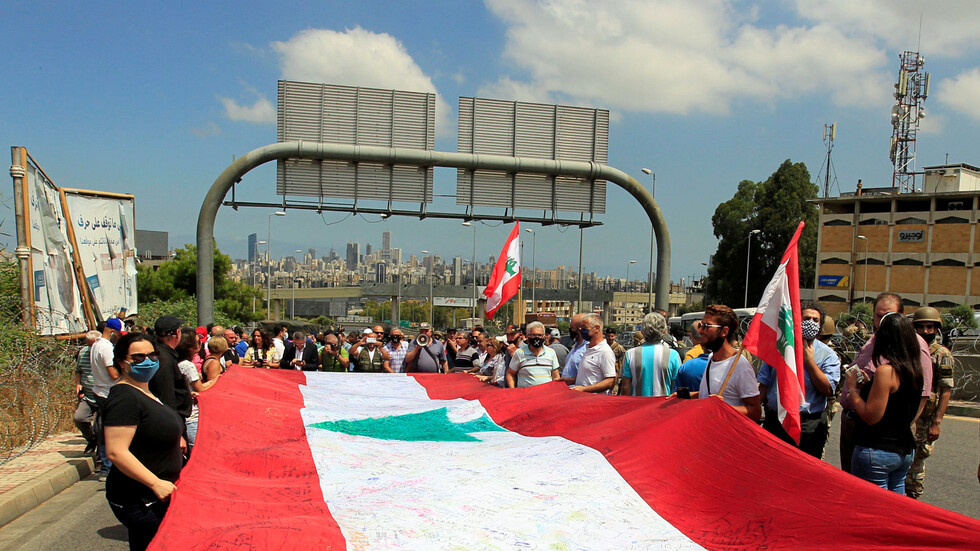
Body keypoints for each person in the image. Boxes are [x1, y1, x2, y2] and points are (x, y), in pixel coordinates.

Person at [103, 333, 185, 551]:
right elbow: (116, 452)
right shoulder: (125, 398)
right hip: (141, 498)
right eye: (138, 357)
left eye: (152, 355)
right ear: (122, 362)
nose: (148, 361)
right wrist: (154, 483)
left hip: (157, 494)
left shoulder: (144, 390)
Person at [839, 292, 933, 473]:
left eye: (888, 316)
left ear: (901, 317)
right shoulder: (874, 341)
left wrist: (897, 430)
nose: (882, 321)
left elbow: (922, 395)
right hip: (855, 424)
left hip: (877, 438)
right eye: (879, 316)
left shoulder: (914, 345)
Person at [845, 312, 923, 494]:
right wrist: (869, 385)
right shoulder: (915, 371)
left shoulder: (886, 371)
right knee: (895, 509)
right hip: (903, 449)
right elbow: (897, 403)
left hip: (878, 449)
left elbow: (871, 416)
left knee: (871, 509)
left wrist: (852, 390)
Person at [757, 301, 841, 458]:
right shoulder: (778, 347)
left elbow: (828, 389)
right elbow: (764, 385)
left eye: (815, 320)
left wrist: (809, 362)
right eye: (806, 318)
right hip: (776, 421)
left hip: (808, 425)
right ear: (796, 320)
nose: (810, 323)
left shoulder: (827, 355)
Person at [906, 307, 955, 499]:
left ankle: (912, 497)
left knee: (917, 461)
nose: (926, 331)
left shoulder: (942, 355)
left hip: (925, 418)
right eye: (921, 327)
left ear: (936, 329)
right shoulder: (908, 350)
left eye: (930, 327)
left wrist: (937, 422)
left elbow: (946, 390)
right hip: (907, 412)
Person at [695, 305, 761, 421]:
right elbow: (713, 395)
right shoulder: (711, 357)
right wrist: (686, 396)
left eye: (706, 326)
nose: (700, 331)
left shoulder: (740, 366)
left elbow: (755, 411)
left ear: (724, 331)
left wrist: (724, 407)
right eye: (701, 325)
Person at [148, 316, 193, 439]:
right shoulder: (164, 359)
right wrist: (176, 435)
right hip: (169, 424)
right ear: (176, 334)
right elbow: (165, 397)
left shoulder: (164, 354)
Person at [619, 312, 681, 397]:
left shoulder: (630, 354)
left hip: (637, 407)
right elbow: (676, 388)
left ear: (642, 332)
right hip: (663, 407)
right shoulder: (673, 355)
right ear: (664, 331)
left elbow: (625, 388)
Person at [175, 329, 217, 452]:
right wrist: (217, 379)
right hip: (192, 417)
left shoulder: (178, 362)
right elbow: (201, 388)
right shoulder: (188, 365)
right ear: (189, 346)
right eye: (198, 342)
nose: (201, 344)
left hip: (186, 416)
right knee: (197, 452)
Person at [569, 314, 616, 393]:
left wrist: (584, 389)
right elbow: (589, 377)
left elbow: (610, 381)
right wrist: (569, 380)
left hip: (595, 401)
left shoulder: (605, 352)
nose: (580, 330)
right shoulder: (588, 348)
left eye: (584, 327)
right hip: (583, 400)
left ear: (597, 328)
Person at [506, 321, 561, 387]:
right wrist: (513, 390)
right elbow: (510, 373)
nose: (537, 337)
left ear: (544, 336)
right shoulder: (519, 353)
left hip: (546, 395)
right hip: (526, 395)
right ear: (527, 336)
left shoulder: (551, 352)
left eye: (540, 335)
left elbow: (555, 375)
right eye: (533, 335)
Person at [74, 330, 102, 454]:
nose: (91, 347)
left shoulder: (105, 352)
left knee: (102, 427)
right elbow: (78, 370)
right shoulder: (83, 352)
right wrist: (78, 384)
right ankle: (91, 439)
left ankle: (102, 456)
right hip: (88, 395)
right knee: (79, 418)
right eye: (89, 344)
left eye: (93, 344)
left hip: (102, 395)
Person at [561, 313, 588, 380]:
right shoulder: (575, 346)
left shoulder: (588, 348)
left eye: (572, 327)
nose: (570, 330)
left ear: (579, 329)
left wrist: (570, 380)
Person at [604, 327, 627, 394]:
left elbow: (625, 358)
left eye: (612, 336)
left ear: (615, 336)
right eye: (608, 336)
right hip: (605, 370)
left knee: (615, 391)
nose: (610, 338)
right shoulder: (603, 346)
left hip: (615, 371)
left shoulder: (618, 347)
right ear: (605, 336)